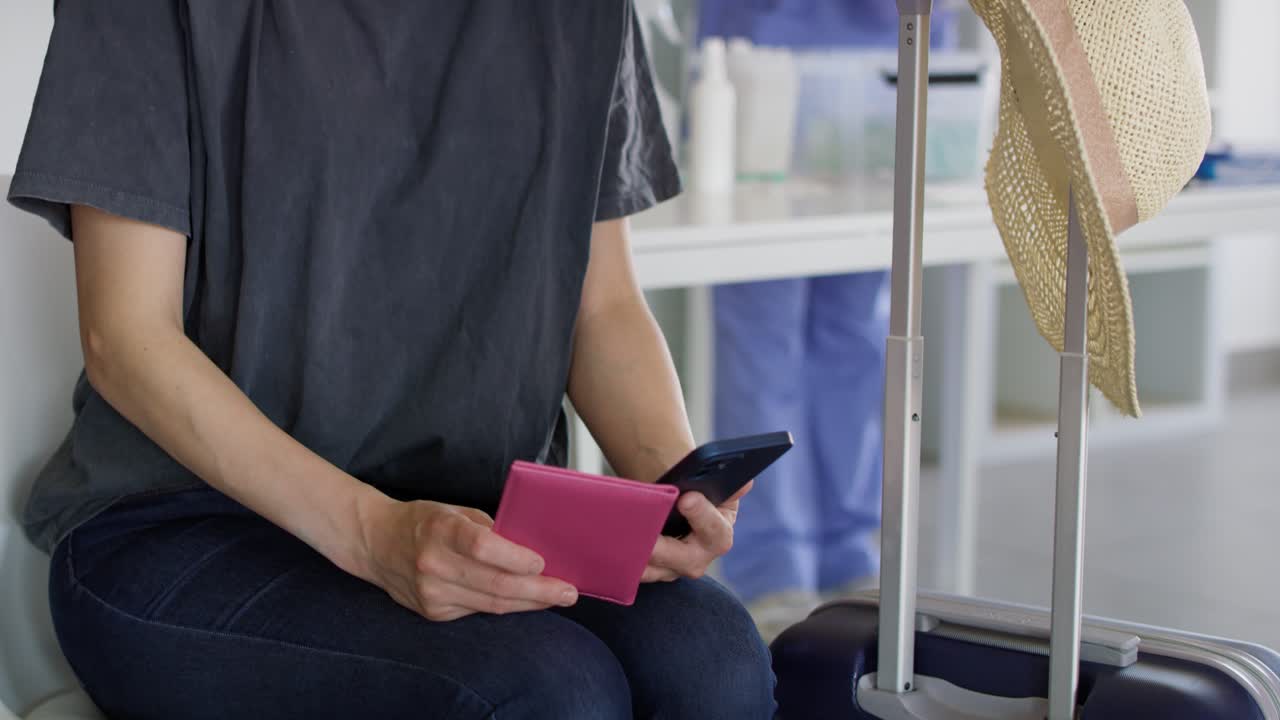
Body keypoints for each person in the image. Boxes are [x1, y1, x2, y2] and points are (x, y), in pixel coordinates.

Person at [7, 2, 775, 718]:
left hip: (480, 519)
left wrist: (674, 490)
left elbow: (601, 308)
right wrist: (376, 536)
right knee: (553, 693)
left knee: (714, 668)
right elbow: (128, 340)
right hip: (186, 526)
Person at [698, 0, 955, 640]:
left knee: (856, 337)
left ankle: (846, 553)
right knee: (764, 338)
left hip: (888, 65)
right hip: (767, 62)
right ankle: (769, 567)